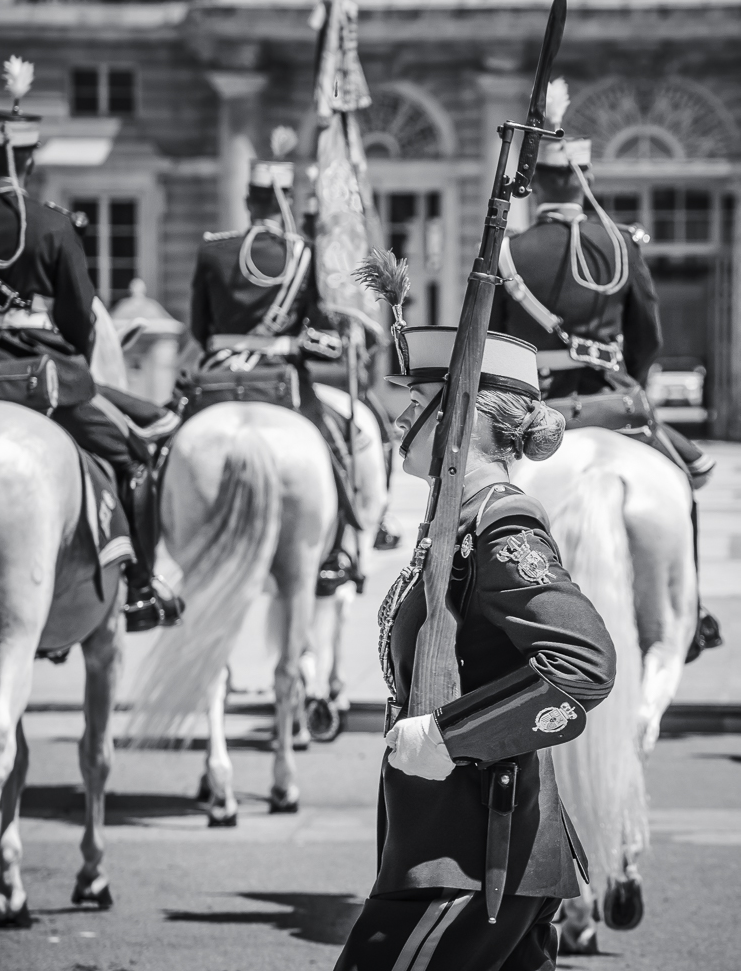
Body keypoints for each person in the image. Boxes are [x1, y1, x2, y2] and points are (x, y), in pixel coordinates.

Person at [333, 326, 616, 971]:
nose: (402, 415)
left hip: (474, 854)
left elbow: (582, 666)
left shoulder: (499, 523)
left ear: (458, 414)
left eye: (417, 401)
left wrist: (447, 736)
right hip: (447, 844)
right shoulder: (453, 522)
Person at [0, 57, 180, 632]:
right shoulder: (53, 225)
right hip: (42, 379)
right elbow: (80, 319)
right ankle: (139, 584)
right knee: (130, 460)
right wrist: (71, 354)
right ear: (29, 162)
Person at [490, 79, 714, 490]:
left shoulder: (508, 252)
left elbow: (495, 343)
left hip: (534, 409)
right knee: (694, 475)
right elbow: (649, 337)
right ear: (587, 178)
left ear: (533, 184)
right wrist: (631, 381)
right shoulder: (621, 244)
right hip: (613, 396)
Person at [189, 153, 363, 591]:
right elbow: (323, 338)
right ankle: (337, 552)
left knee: (161, 453)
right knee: (336, 453)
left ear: (248, 200)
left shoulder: (213, 249)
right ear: (287, 201)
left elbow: (199, 327)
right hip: (282, 382)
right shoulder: (304, 256)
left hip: (217, 378)